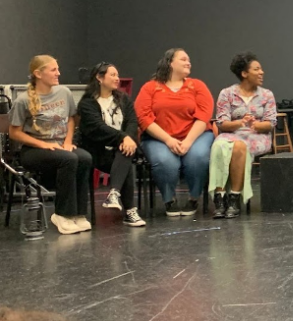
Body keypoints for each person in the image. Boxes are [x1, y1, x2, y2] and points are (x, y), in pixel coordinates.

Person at [8, 55, 92, 235]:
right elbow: (14, 132)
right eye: (53, 70)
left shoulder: (64, 92)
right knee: (68, 159)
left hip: (61, 145)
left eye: (58, 69)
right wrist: (42, 144)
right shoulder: (23, 100)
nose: (58, 73)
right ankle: (62, 214)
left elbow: (71, 119)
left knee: (84, 158)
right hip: (33, 150)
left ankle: (78, 213)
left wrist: (69, 141)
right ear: (38, 74)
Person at [135, 48, 214, 217]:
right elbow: (144, 118)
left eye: (189, 60)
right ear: (170, 63)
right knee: (165, 162)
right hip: (158, 138)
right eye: (184, 59)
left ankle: (194, 198)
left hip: (195, 135)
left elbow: (204, 115)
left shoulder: (197, 85)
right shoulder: (150, 87)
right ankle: (169, 199)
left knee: (198, 158)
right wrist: (169, 140)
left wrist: (188, 142)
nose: (188, 62)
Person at [78, 62, 146, 226]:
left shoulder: (123, 99)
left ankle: (114, 193)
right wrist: (123, 138)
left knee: (126, 153)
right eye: (113, 75)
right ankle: (130, 211)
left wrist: (127, 138)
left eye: (117, 75)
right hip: (97, 152)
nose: (117, 78)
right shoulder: (87, 103)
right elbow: (97, 129)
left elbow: (132, 122)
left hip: (121, 149)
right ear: (99, 78)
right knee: (126, 159)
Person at [210, 53, 277, 219]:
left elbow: (271, 122)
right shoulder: (227, 94)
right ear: (244, 73)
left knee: (238, 146)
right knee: (219, 145)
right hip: (231, 133)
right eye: (257, 69)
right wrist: (240, 123)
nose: (262, 72)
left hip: (257, 136)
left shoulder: (267, 95)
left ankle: (234, 197)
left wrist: (255, 125)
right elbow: (222, 123)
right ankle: (220, 199)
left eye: (261, 69)